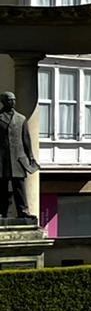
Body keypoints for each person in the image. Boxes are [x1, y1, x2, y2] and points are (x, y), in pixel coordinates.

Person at [0, 91, 39, 219]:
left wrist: (31, 156)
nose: (13, 102)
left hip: (18, 159)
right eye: (10, 100)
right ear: (3, 101)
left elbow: (26, 139)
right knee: (2, 188)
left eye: (14, 100)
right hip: (2, 159)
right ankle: (2, 213)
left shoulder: (21, 118)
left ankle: (23, 211)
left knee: (19, 187)